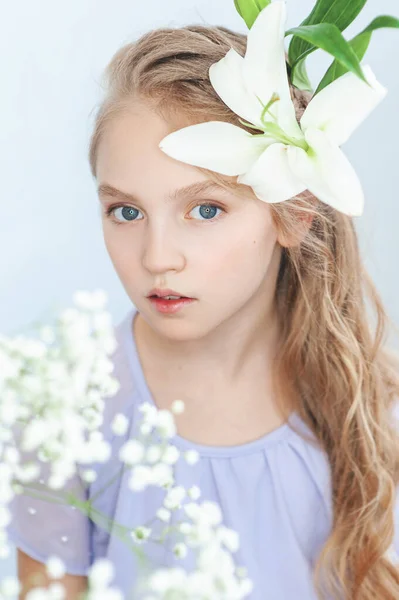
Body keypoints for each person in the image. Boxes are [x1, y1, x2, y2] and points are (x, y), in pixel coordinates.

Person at [7, 2, 399, 599]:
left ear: (292, 213)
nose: (158, 256)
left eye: (205, 209)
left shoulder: (370, 412)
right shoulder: (65, 414)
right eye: (126, 211)